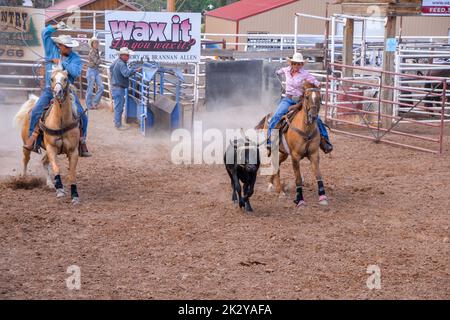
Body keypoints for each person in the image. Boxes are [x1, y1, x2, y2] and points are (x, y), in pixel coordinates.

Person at [24, 22, 91, 157]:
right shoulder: (51, 49)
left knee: (82, 115)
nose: (68, 49)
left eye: (69, 46)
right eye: (66, 46)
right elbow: (44, 33)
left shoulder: (75, 58)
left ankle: (81, 141)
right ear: (59, 46)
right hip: (50, 89)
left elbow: (75, 72)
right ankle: (33, 139)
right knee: (36, 111)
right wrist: (56, 27)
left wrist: (61, 63)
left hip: (68, 91)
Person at [267, 52, 333, 154]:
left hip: (300, 101)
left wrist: (318, 84)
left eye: (299, 64)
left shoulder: (305, 74)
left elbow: (316, 82)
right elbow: (277, 72)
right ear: (291, 63)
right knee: (276, 116)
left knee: (317, 119)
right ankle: (270, 141)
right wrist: (273, 71)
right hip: (288, 99)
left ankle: (325, 141)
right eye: (295, 63)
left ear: (302, 65)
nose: (297, 66)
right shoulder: (285, 70)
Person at [109, 47, 141, 130]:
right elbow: (126, 73)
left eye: (128, 55)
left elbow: (111, 68)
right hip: (118, 87)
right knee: (119, 107)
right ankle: (118, 125)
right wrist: (135, 70)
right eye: (127, 55)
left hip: (115, 86)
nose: (128, 57)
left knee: (118, 106)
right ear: (122, 55)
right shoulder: (122, 64)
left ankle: (117, 122)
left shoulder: (117, 62)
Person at [85, 36, 104, 110]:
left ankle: (94, 103)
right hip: (92, 71)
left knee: (101, 87)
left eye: (97, 42)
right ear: (92, 44)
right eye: (95, 42)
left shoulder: (96, 51)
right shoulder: (92, 52)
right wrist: (100, 61)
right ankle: (89, 105)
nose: (96, 44)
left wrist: (100, 61)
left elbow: (98, 61)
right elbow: (97, 61)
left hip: (95, 70)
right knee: (90, 89)